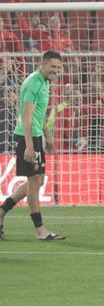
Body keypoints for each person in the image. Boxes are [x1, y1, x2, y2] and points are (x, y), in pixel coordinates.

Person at [0, 51, 64, 241]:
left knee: (37, 181)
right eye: (53, 66)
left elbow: (38, 114)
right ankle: (40, 230)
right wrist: (29, 145)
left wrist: (48, 134)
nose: (56, 71)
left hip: (36, 136)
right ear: (42, 64)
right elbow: (27, 117)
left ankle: (2, 211)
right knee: (35, 182)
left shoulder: (45, 82)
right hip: (27, 137)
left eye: (58, 67)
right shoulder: (33, 83)